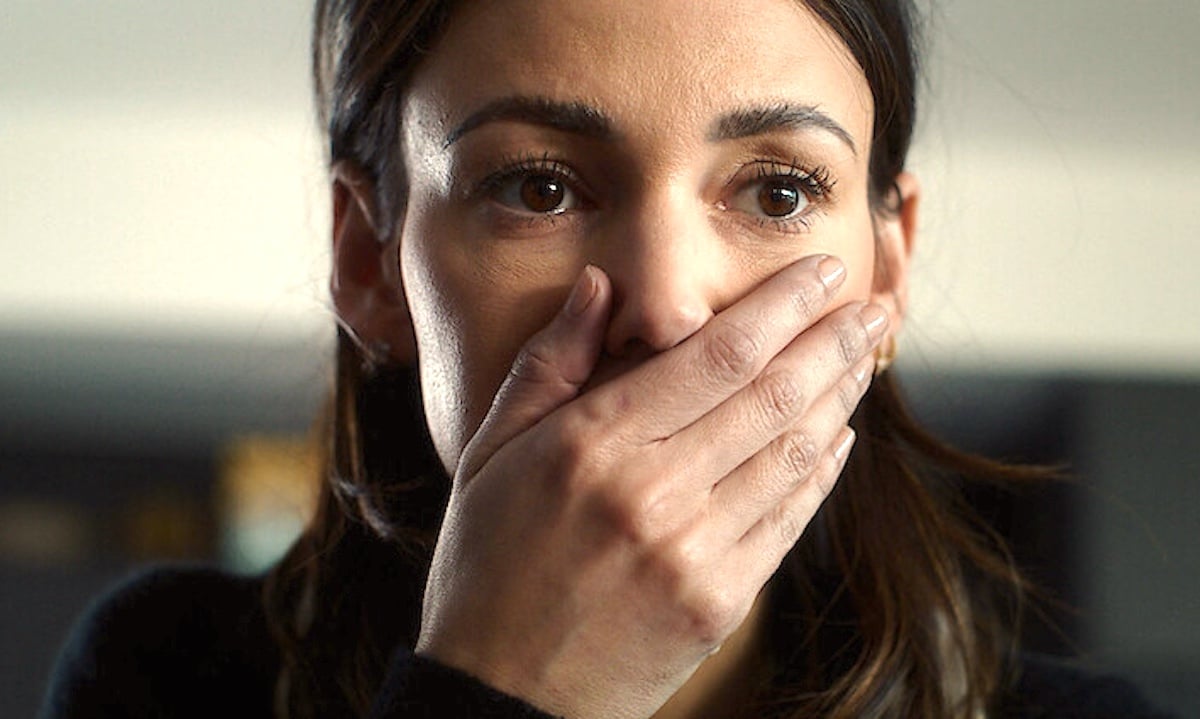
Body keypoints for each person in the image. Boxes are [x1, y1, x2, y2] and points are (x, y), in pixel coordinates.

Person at [42, 1, 1176, 718]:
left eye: (779, 192)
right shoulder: (168, 674)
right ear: (368, 263)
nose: (669, 311)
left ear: (887, 268)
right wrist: (499, 686)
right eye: (538, 186)